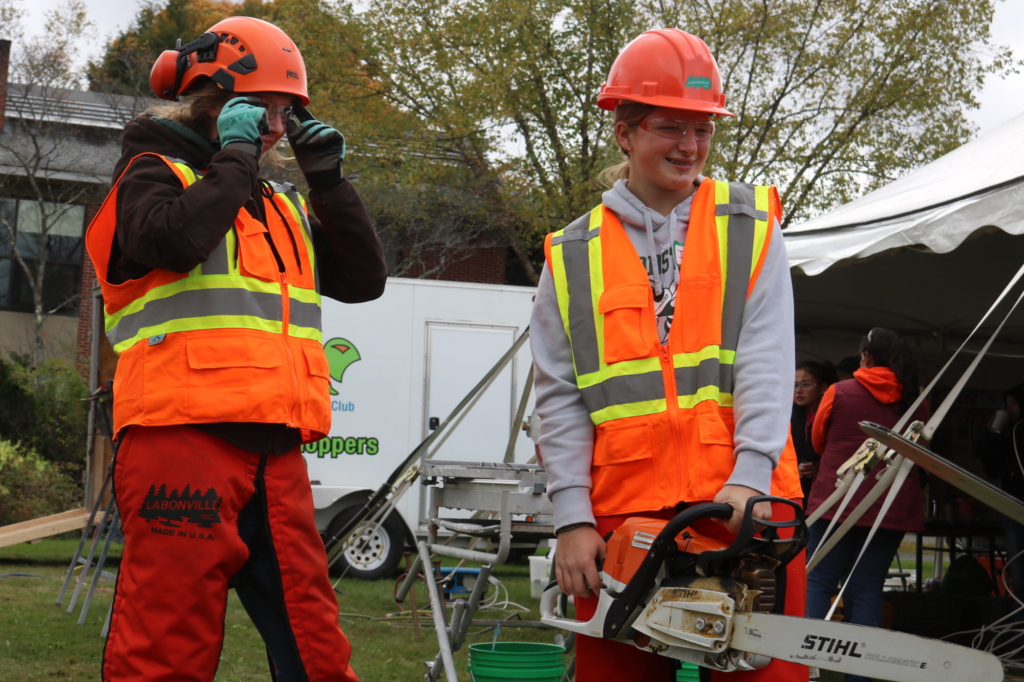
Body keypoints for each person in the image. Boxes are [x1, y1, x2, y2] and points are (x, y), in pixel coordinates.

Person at [84, 17, 385, 681]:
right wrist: (235, 158)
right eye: (261, 110)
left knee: (318, 653)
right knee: (164, 651)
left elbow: (364, 282)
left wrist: (329, 182)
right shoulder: (148, 174)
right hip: (178, 444)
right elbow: (173, 243)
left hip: (276, 456)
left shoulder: (277, 202)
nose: (277, 128)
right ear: (211, 104)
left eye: (287, 113)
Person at [531, 28, 805, 682]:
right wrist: (572, 518)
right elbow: (560, 398)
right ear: (624, 131)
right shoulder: (572, 255)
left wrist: (751, 476)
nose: (690, 146)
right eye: (670, 126)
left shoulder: (750, 226)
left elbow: (768, 360)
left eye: (703, 128)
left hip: (747, 509)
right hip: (623, 519)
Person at [804, 328, 926, 682]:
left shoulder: (838, 392)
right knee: (867, 586)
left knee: (819, 582)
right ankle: (860, 676)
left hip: (837, 499)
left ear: (867, 358)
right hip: (891, 504)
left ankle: (806, 665)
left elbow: (817, 441)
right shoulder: (918, 400)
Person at [975, 383, 1024, 596]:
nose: (1009, 409)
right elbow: (992, 469)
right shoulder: (1007, 435)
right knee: (1017, 572)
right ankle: (1018, 625)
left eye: (1013, 403)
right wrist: (993, 435)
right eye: (1007, 404)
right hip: (1012, 507)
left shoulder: (1018, 433)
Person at [792, 361, 836, 500]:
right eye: (795, 384)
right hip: (791, 488)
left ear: (823, 387)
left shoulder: (834, 416)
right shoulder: (787, 414)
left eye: (805, 384)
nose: (798, 390)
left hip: (823, 493)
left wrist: (817, 467)